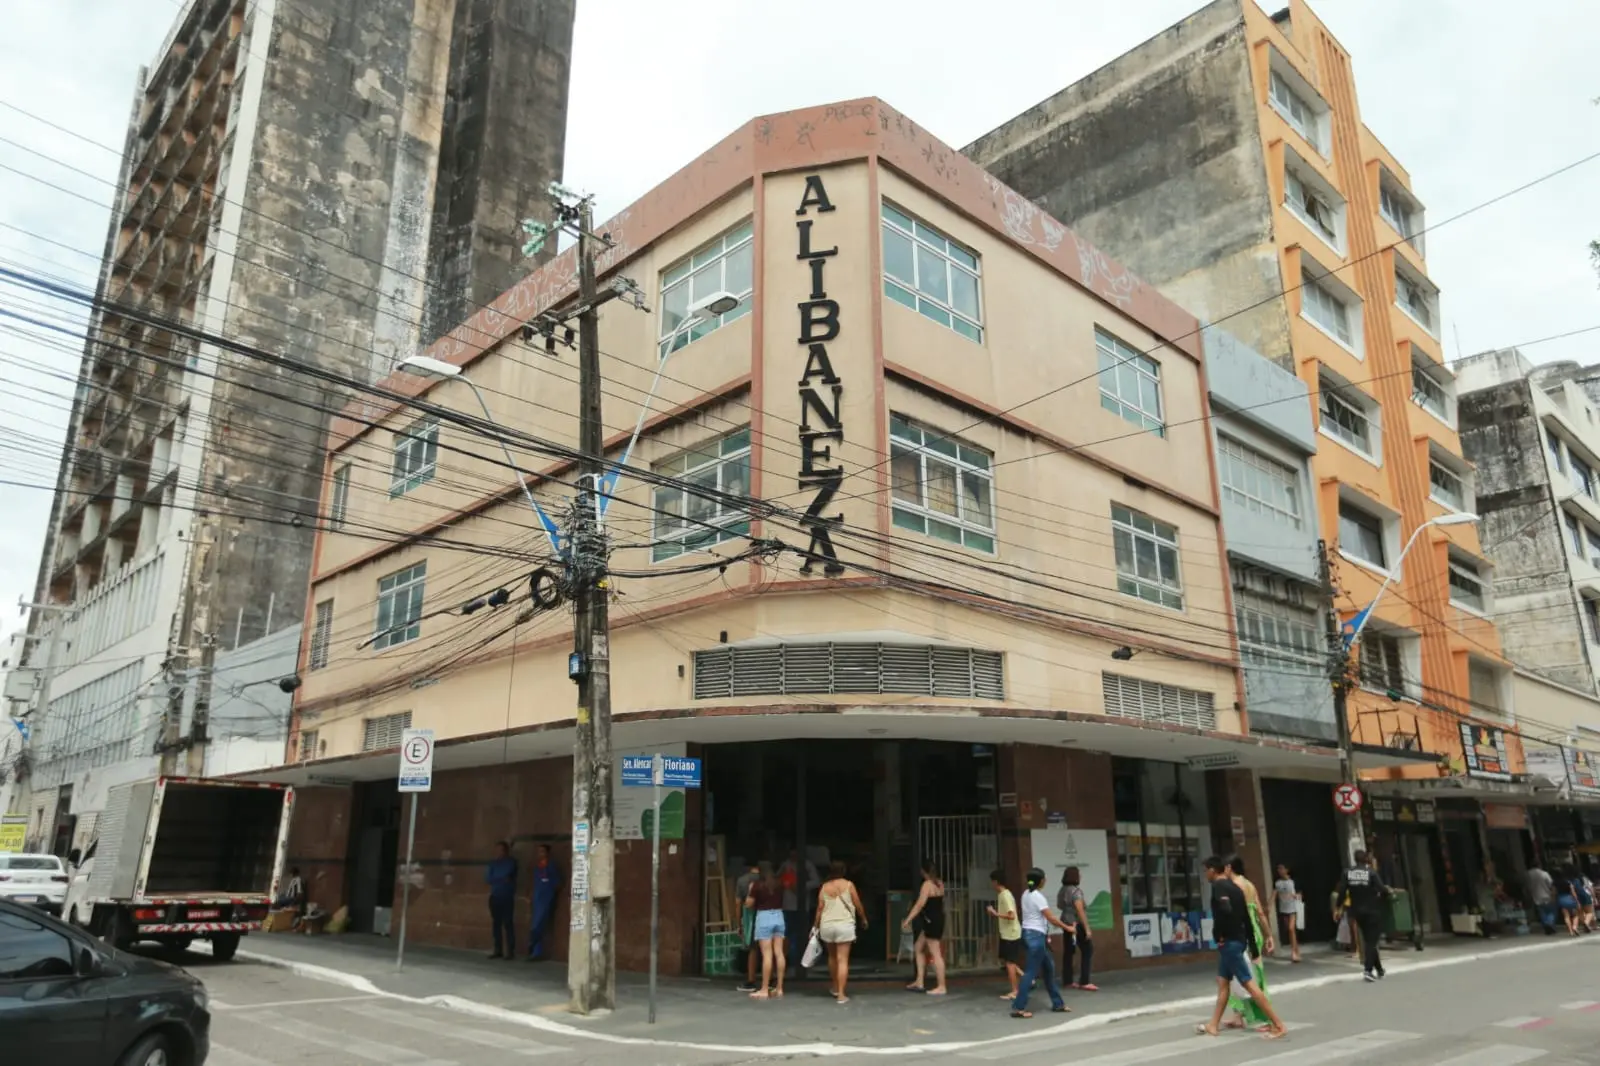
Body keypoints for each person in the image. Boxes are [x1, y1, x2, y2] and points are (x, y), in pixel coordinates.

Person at [1197, 856, 1286, 1040]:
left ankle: (1278, 1024)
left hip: (1229, 943)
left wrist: (1219, 935)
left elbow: (1225, 910)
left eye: (1206, 870)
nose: (1205, 874)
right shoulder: (1237, 888)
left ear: (1213, 870)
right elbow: (1247, 918)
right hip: (1237, 940)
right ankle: (1213, 1024)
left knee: (1249, 985)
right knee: (1223, 983)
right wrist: (1252, 945)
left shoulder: (1219, 886)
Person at [1010, 867, 1074, 1019]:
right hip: (1036, 937)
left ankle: (1058, 1004)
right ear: (1040, 881)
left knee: (1049, 970)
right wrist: (1068, 928)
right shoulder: (1038, 897)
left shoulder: (1026, 894)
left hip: (1030, 935)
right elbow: (1051, 918)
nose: (1045, 880)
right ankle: (1018, 1007)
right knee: (1030, 973)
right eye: (1044, 878)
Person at [1224, 855, 1274, 1030]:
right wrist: (1269, 935)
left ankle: (1266, 1018)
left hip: (1244, 933)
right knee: (1238, 974)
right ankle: (1238, 1014)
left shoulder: (1234, 886)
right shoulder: (1249, 885)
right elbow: (1260, 912)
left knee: (1249, 977)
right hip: (1253, 930)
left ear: (1229, 867)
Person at [813, 861, 867, 1004]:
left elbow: (820, 908)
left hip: (827, 925)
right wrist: (863, 918)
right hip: (844, 925)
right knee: (843, 959)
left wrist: (815, 926)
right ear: (843, 871)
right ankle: (841, 995)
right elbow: (857, 903)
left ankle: (835, 987)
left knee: (832, 957)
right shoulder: (849, 885)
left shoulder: (825, 887)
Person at [1338, 849, 1391, 981]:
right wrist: (1385, 895)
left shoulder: (1347, 873)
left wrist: (1338, 906)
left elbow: (1342, 892)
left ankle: (1379, 970)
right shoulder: (1371, 873)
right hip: (1372, 911)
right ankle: (1368, 970)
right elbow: (1382, 889)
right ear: (1366, 859)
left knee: (1369, 940)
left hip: (1357, 912)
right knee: (1372, 941)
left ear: (1355, 859)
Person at [901, 861, 948, 995]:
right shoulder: (939, 883)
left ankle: (942, 986)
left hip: (931, 921)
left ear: (923, 871)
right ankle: (919, 981)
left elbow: (919, 904)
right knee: (918, 947)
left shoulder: (927, 885)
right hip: (937, 919)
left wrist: (908, 919)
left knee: (935, 953)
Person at [745, 861, 787, 999]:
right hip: (779, 916)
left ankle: (764, 988)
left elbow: (749, 904)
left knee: (767, 955)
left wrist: (750, 893)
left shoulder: (757, 885)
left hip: (764, 917)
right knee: (779, 953)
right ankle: (779, 988)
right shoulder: (780, 884)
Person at [779, 848, 820, 972]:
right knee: (787, 934)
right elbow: (777, 878)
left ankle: (801, 960)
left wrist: (801, 887)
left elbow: (816, 881)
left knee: (801, 933)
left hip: (802, 905)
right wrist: (785, 883)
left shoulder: (807, 865)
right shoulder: (785, 864)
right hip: (787, 905)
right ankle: (788, 960)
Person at [987, 869, 1024, 1001]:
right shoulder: (1003, 894)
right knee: (1007, 960)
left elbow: (1011, 915)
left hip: (1011, 933)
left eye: (992, 882)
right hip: (1007, 933)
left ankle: (1015, 990)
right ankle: (1025, 978)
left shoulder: (1005, 895)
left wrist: (995, 913)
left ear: (996, 882)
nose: (992, 884)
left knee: (1010, 963)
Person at [1057, 866, 1096, 991]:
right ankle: (1084, 981)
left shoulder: (1062, 890)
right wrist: (1087, 928)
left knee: (1068, 952)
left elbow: (1059, 905)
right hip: (1077, 924)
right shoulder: (1076, 891)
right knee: (1087, 950)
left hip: (1066, 923)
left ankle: (1067, 980)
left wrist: (1068, 909)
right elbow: (1080, 910)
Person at [526, 844, 561, 961]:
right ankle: (536, 951)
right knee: (535, 923)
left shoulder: (551, 866)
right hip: (537, 897)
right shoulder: (538, 866)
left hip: (546, 897)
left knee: (539, 924)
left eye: (543, 851)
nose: (540, 854)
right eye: (539, 852)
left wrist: (550, 892)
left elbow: (557, 882)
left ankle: (533, 944)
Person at [485, 841, 518, 960]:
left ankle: (510, 951)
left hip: (507, 896)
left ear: (506, 851)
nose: (499, 852)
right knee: (496, 924)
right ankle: (497, 949)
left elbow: (508, 875)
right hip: (495, 896)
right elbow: (488, 879)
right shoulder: (493, 863)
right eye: (497, 850)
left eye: (501, 850)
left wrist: (497, 878)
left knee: (508, 923)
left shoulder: (511, 862)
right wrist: (501, 879)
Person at [734, 861, 762, 992]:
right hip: (770, 915)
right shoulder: (769, 880)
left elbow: (738, 903)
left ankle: (751, 979)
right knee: (769, 949)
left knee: (753, 948)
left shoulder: (742, 881)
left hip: (750, 917)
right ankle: (772, 979)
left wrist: (738, 923)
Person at [1269, 863, 1302, 963]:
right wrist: (1269, 906)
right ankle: (1296, 950)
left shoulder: (1293, 881)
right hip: (1283, 909)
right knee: (1290, 931)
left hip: (1293, 908)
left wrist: (1296, 896)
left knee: (1291, 929)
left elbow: (1299, 894)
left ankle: (1294, 953)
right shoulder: (1277, 883)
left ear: (1287, 870)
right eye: (1278, 869)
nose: (1280, 871)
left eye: (1282, 868)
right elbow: (1274, 895)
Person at [1525, 862, 1557, 934]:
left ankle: (1546, 924)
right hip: (1547, 895)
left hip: (1536, 897)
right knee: (1551, 911)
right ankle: (1550, 923)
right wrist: (1553, 895)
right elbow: (1551, 884)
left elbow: (1526, 886)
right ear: (1539, 865)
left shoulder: (1527, 874)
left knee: (1542, 912)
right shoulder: (1544, 873)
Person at [1553, 865, 1581, 937]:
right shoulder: (1568, 882)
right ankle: (1575, 926)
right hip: (1570, 898)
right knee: (1575, 915)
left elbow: (1554, 892)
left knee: (1566, 916)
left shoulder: (1554, 883)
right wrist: (1577, 900)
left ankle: (1571, 931)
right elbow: (1573, 892)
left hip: (1561, 899)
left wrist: (1554, 899)